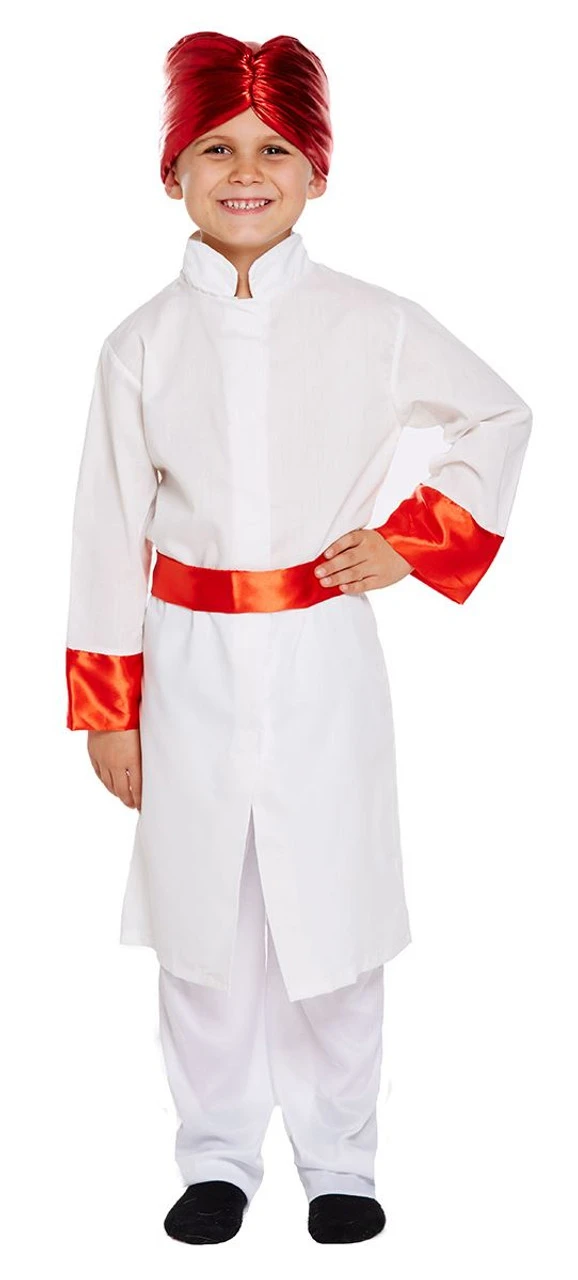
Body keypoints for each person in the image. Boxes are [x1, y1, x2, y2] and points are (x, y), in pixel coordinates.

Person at [64, 31, 532, 1246]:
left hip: (321, 655)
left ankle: (340, 1159)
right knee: (202, 925)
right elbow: (108, 527)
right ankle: (215, 1153)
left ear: (317, 172)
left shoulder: (371, 321)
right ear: (171, 170)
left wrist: (412, 538)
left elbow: (495, 414)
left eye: (274, 151)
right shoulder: (138, 345)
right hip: (186, 663)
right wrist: (109, 707)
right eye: (215, 148)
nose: (245, 173)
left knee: (331, 912)